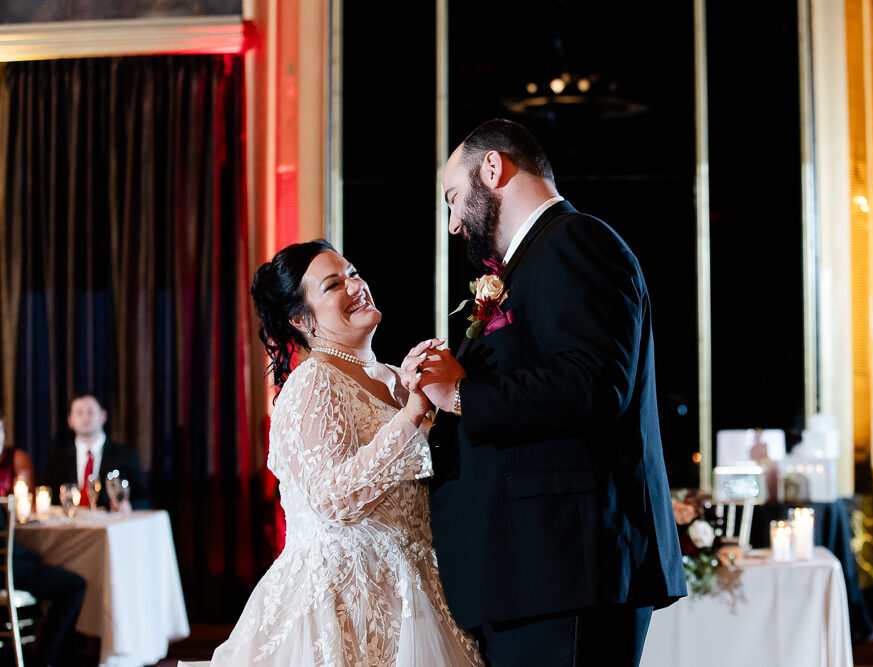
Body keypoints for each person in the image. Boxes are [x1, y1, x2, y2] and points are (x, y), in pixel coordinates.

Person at [405, 119, 687, 666]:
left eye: (454, 199)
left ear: (493, 168)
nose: (454, 223)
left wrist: (462, 395)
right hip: (534, 576)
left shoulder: (577, 241)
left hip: (566, 571)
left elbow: (595, 383)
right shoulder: (533, 259)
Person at [203, 240, 482, 665]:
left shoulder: (395, 376)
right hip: (344, 600)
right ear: (301, 319)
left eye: (353, 273)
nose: (356, 286)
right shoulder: (312, 382)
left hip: (418, 590)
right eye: (334, 284)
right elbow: (334, 497)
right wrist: (411, 414)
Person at [0, 411, 87, 667]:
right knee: (74, 584)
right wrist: (36, 557)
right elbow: (8, 551)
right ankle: (47, 659)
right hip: (9, 569)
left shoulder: (15, 459)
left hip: (13, 560)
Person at [45, 394, 150, 510]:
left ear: (103, 416)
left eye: (90, 412)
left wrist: (129, 506)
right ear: (70, 420)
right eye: (79, 413)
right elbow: (48, 498)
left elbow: (144, 499)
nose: (85, 418)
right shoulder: (58, 459)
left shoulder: (125, 455)